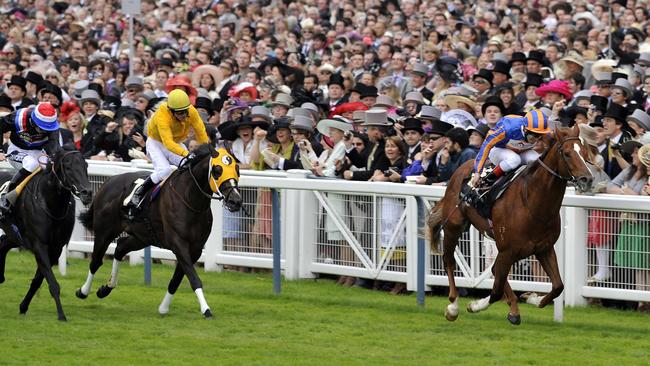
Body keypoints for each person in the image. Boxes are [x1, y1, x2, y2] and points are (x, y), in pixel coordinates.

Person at [124, 89, 209, 218]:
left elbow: (201, 131)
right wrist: (186, 153)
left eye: (185, 111)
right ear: (171, 111)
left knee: (190, 165)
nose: (184, 115)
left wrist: (206, 150)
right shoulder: (162, 116)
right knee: (164, 170)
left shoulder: (191, 112)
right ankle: (138, 193)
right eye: (180, 113)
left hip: (175, 142)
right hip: (156, 143)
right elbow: (168, 143)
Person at [0, 103, 61, 220]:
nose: (45, 130)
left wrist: (53, 157)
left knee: (47, 167)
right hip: (17, 149)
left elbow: (54, 146)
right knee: (32, 164)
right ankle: (6, 196)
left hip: (38, 151)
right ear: (34, 120)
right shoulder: (18, 117)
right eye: (43, 127)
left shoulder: (53, 125)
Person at [471, 109, 551, 189]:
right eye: (534, 134)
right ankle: (488, 180)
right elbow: (486, 145)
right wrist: (477, 172)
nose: (537, 138)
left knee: (537, 160)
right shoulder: (507, 128)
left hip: (521, 152)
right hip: (498, 151)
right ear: (525, 129)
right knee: (514, 159)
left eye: (540, 135)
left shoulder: (542, 131)